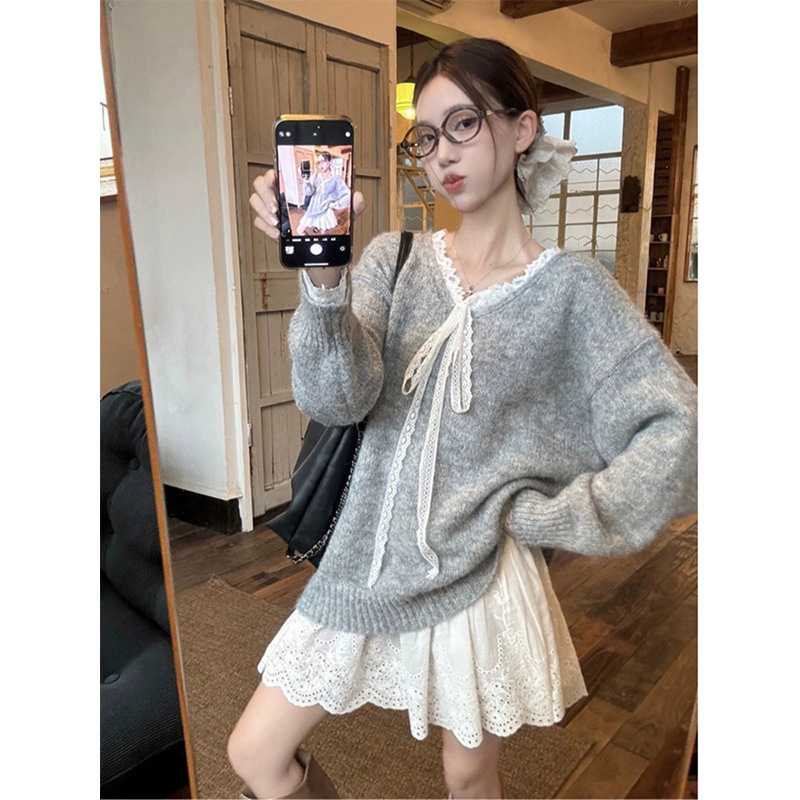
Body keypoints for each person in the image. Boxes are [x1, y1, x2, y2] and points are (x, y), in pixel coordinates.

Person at [231, 37, 698, 800]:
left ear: (522, 128)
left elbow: (681, 429)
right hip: (363, 563)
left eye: (464, 124)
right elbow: (337, 400)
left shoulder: (573, 292)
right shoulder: (394, 257)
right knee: (256, 753)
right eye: (426, 135)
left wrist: (553, 516)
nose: (441, 152)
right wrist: (323, 280)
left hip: (480, 574)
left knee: (469, 774)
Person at [295, 151, 352, 235]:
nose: (320, 165)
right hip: (312, 210)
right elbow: (309, 192)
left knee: (323, 234)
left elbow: (348, 195)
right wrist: (306, 180)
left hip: (325, 212)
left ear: (330, 162)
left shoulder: (335, 180)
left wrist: (335, 205)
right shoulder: (315, 177)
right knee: (299, 231)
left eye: (323, 161)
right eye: (318, 162)